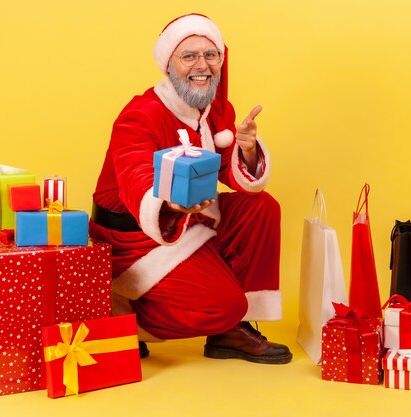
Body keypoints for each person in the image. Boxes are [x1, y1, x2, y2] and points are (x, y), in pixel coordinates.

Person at [90, 13, 292, 364]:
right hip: (139, 238)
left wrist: (246, 149)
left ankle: (231, 330)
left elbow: (233, 172)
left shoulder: (216, 110)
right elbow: (136, 175)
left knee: (262, 207)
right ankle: (121, 320)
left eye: (210, 55)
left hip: (193, 221)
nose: (203, 65)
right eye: (189, 56)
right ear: (169, 65)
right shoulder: (140, 114)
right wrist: (168, 203)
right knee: (223, 304)